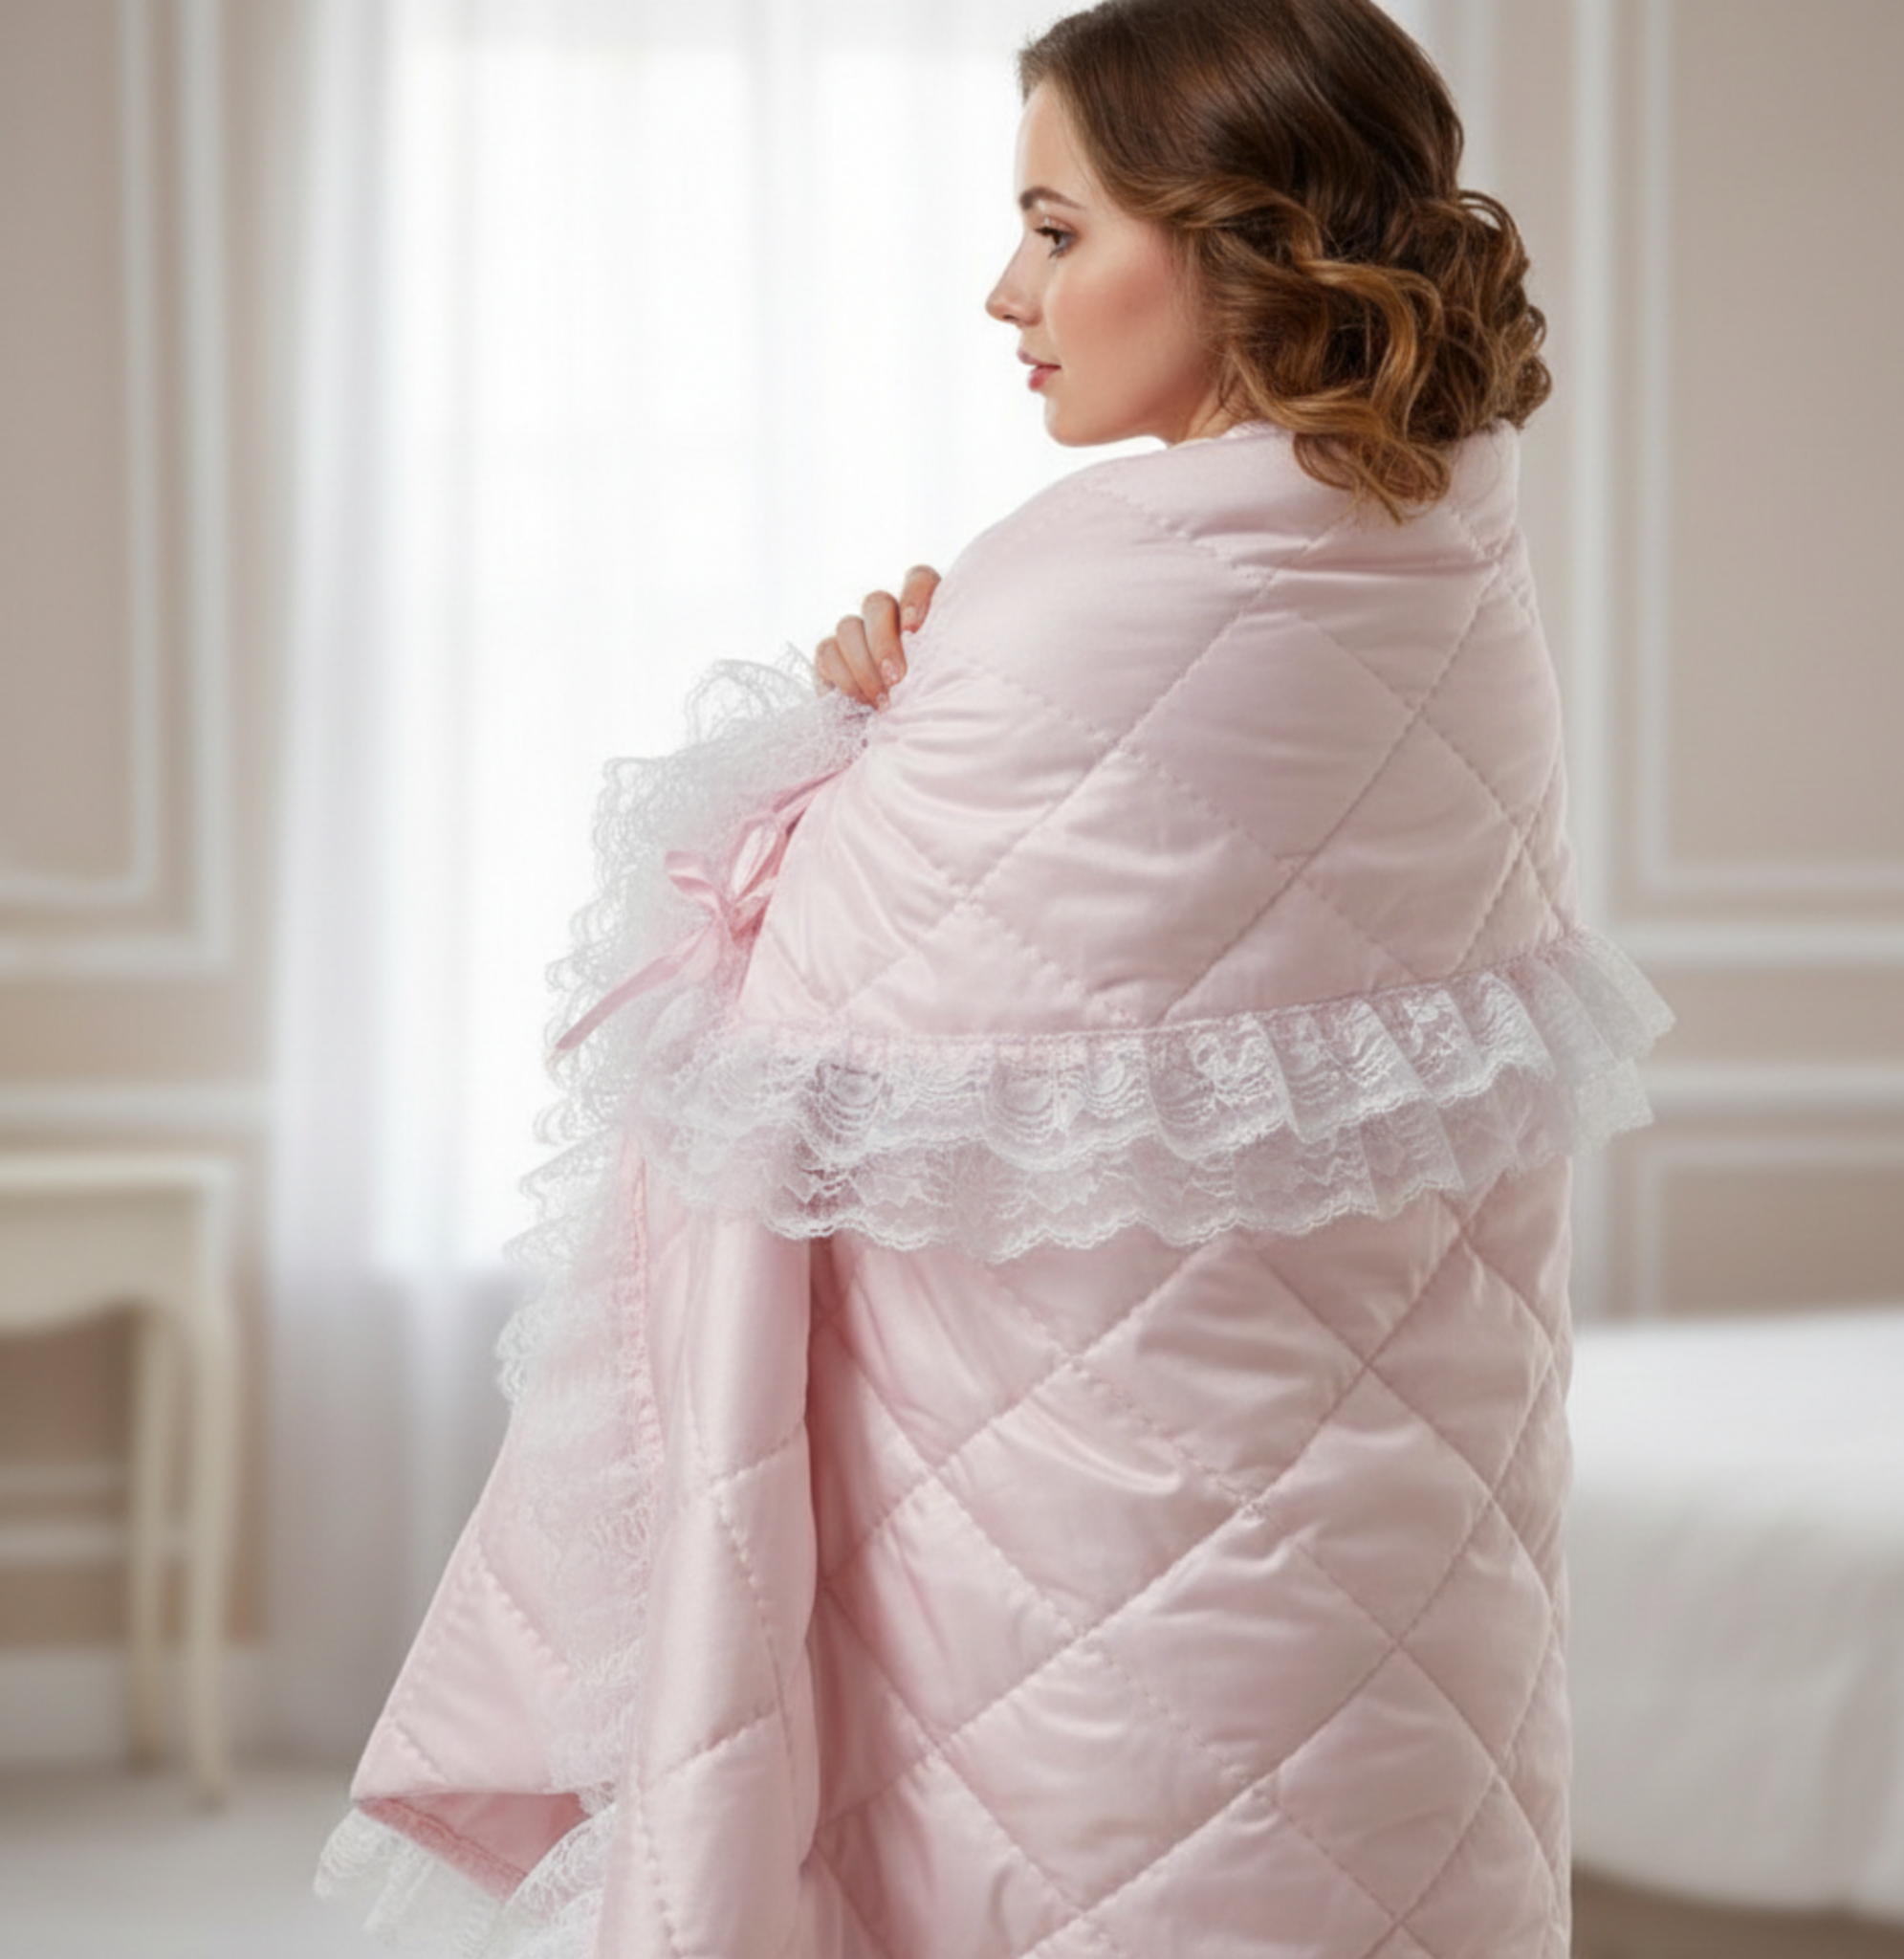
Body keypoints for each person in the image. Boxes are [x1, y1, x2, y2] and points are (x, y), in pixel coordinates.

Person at [320, 2, 1669, 1954]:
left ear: (1236, 240)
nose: (1002, 290)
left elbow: (788, 1038)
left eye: (1055, 228)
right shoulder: (1444, 554)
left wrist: (843, 741)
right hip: (1405, 1525)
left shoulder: (1082, 583)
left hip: (1056, 1528)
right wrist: (904, 728)